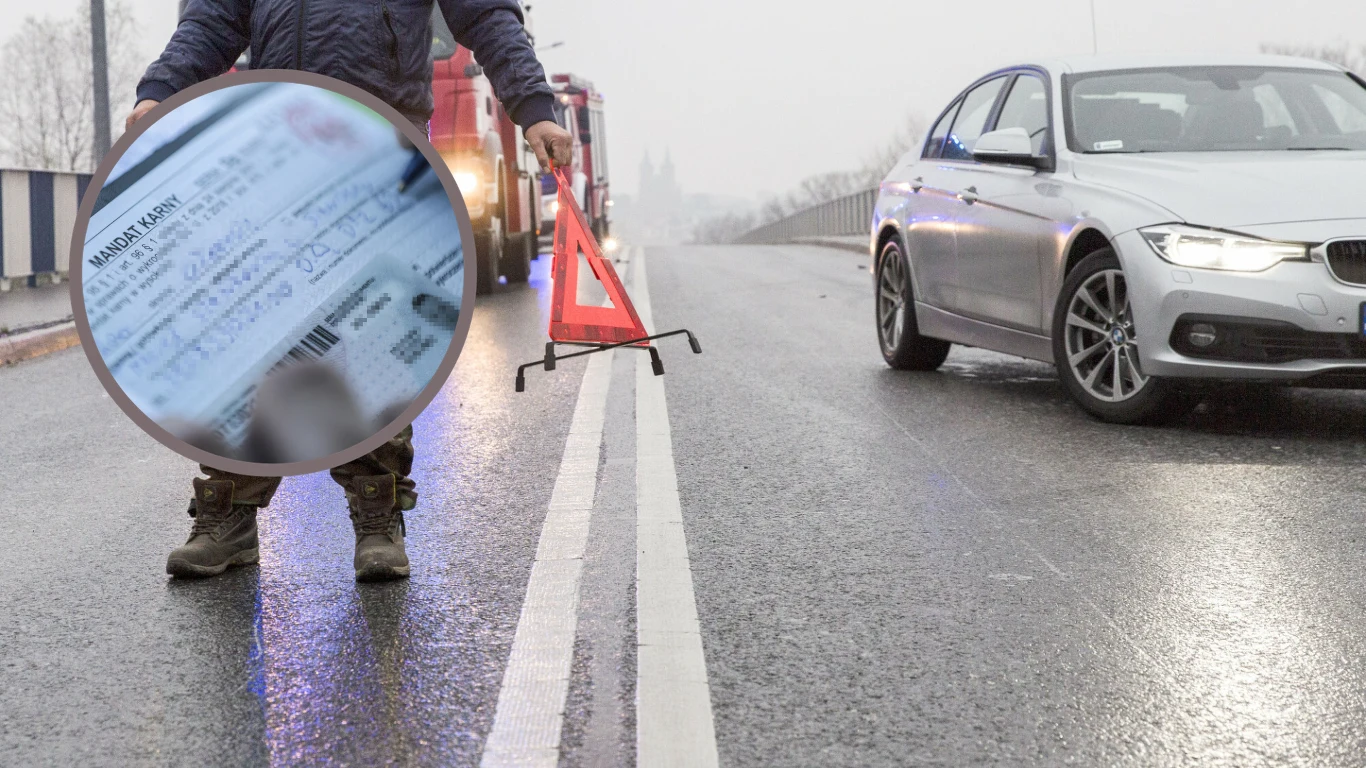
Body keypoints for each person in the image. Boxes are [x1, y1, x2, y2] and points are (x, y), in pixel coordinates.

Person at [127, 0, 573, 582]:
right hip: (279, 139)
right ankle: (229, 515)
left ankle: (378, 515)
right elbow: (212, 18)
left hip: (381, 143)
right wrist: (160, 91)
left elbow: (486, 14)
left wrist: (533, 105)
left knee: (369, 335)